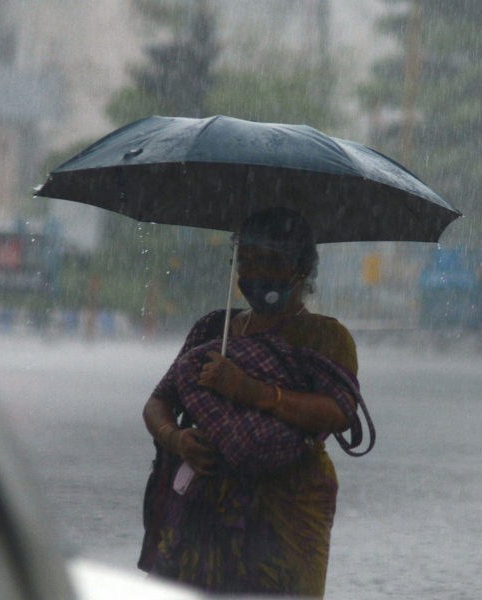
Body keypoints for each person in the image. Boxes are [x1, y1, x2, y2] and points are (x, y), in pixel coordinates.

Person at [138, 208, 373, 596]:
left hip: (288, 504)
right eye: (246, 260)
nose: (255, 273)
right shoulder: (214, 329)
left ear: (301, 269)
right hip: (205, 500)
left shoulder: (325, 337)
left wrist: (254, 392)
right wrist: (176, 439)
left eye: (272, 262)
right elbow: (158, 403)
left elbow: (338, 412)